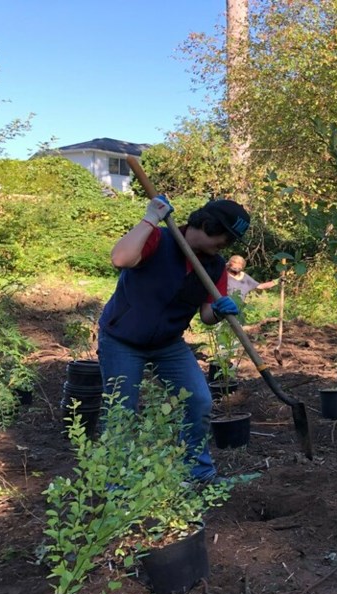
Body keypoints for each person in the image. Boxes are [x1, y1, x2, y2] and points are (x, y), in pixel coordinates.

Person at [97, 195, 250, 483]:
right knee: (121, 410)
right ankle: (114, 485)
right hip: (122, 340)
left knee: (200, 401)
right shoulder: (159, 239)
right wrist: (149, 218)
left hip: (168, 343)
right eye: (224, 237)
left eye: (231, 242)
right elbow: (120, 258)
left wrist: (219, 310)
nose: (226, 247)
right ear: (206, 224)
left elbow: (206, 314)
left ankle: (198, 473)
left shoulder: (215, 266)